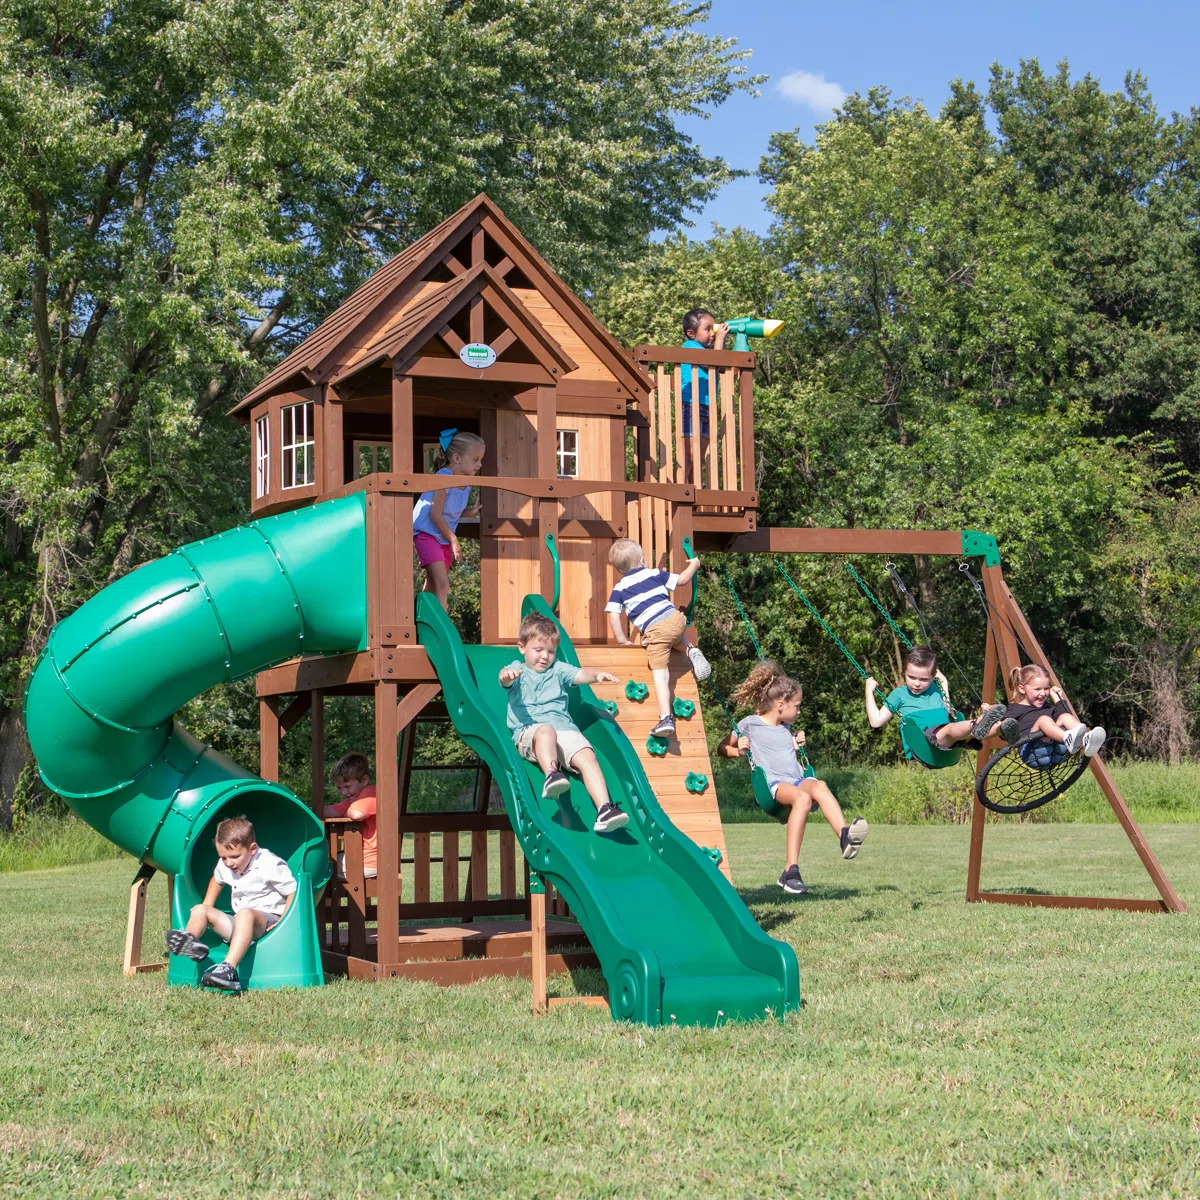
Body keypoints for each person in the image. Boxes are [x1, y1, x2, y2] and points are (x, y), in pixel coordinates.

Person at [718, 661, 867, 895]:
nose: (798, 711)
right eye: (796, 706)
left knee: (819, 785)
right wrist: (738, 750)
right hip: (773, 787)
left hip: (796, 779)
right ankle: (791, 871)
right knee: (801, 798)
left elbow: (784, 755)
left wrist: (796, 746)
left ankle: (844, 836)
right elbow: (721, 748)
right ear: (780, 705)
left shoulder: (786, 728)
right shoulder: (749, 724)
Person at [501, 611, 630, 833]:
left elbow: (580, 674)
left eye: (550, 651)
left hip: (565, 730)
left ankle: (604, 809)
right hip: (531, 732)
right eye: (538, 650)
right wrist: (506, 677)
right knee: (546, 731)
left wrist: (597, 674)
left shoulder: (558, 669)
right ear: (522, 647)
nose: (545, 656)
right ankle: (552, 774)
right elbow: (503, 676)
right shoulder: (518, 669)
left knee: (587, 755)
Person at [165, 816, 297, 992]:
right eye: (223, 857)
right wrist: (208, 905)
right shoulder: (226, 864)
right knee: (200, 910)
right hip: (241, 925)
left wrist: (283, 923)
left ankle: (229, 969)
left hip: (266, 924)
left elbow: (293, 891)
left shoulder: (269, 863)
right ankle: (189, 941)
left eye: (234, 857)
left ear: (252, 849)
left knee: (245, 914)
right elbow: (217, 879)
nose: (229, 863)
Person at [605, 538, 711, 738]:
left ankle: (665, 718)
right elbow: (681, 580)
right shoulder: (654, 573)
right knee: (670, 639)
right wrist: (695, 564)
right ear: (642, 560)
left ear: (619, 569)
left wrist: (622, 641)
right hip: (676, 620)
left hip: (655, 630)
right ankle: (690, 650)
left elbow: (613, 616)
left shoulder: (619, 589)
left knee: (660, 674)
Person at [865, 645, 1017, 753]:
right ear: (904, 672)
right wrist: (869, 691)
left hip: (946, 738)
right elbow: (876, 721)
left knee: (966, 733)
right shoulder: (899, 694)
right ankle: (979, 722)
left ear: (933, 676)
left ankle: (1002, 727)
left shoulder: (935, 690)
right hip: (924, 744)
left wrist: (944, 683)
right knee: (952, 729)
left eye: (924, 679)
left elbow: (948, 709)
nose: (917, 683)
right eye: (911, 677)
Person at [412, 428, 485, 609]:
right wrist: (453, 539)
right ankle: (442, 627)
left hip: (442, 537)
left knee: (432, 585)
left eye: (481, 459)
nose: (480, 464)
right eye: (475, 459)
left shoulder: (466, 482)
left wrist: (470, 512)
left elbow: (450, 510)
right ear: (457, 458)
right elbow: (435, 513)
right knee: (442, 585)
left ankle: (421, 617)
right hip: (427, 534)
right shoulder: (444, 477)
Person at [1006, 664, 1106, 766]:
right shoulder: (1014, 709)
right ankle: (1066, 737)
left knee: (1065, 717)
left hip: (1056, 752)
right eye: (1037, 689)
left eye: (1046, 689)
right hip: (1032, 752)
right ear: (1022, 689)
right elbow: (1004, 729)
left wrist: (1058, 699)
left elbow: (1065, 715)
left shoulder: (1048, 707)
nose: (1043, 693)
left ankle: (1085, 739)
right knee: (1044, 720)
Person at [680, 309, 727, 479]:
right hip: (692, 404)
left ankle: (691, 491)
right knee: (689, 454)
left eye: (713, 330)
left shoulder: (708, 351)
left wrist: (721, 342)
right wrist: (720, 339)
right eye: (708, 329)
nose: (712, 334)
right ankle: (680, 489)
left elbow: (720, 366)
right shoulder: (690, 346)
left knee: (698, 456)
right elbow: (711, 363)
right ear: (691, 333)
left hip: (707, 407)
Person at [323, 752, 377, 880]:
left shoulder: (372, 793)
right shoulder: (353, 800)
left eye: (347, 786)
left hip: (370, 861)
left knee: (316, 868)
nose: (343, 792)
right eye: (339, 788)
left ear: (364, 780)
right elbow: (330, 810)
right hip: (360, 857)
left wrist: (347, 812)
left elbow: (356, 814)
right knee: (320, 863)